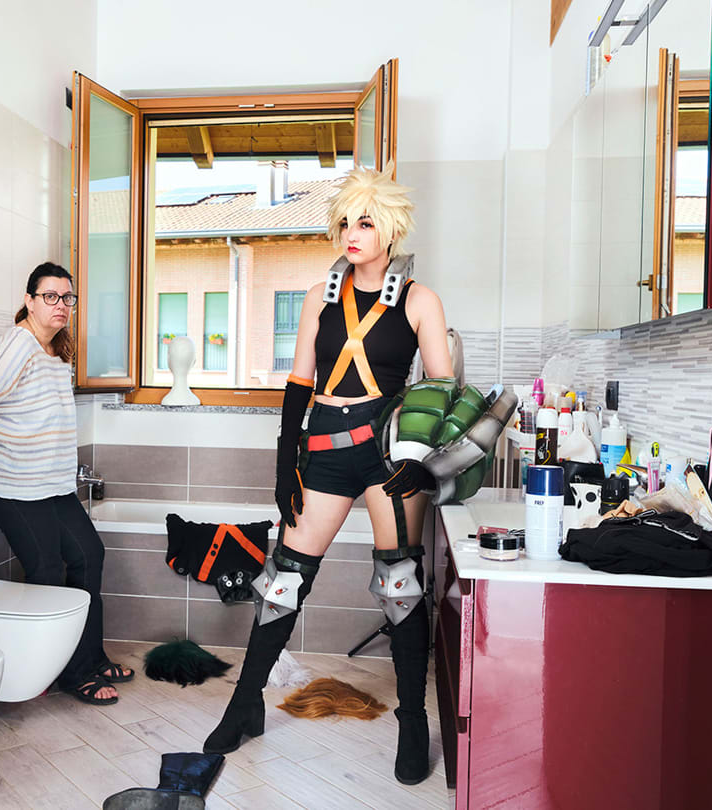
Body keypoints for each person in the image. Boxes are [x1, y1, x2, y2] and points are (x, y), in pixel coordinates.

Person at [203, 165, 454, 785]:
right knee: (284, 581)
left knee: (401, 587)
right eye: (345, 221)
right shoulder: (321, 294)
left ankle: (412, 723)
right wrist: (286, 462)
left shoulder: (420, 300)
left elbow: (447, 392)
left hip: (389, 456)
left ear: (390, 229)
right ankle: (245, 704)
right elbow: (299, 383)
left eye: (365, 221)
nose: (351, 232)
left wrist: (422, 463)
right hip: (325, 447)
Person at [0, 262, 132, 705]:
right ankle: (67, 673)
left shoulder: (54, 351)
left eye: (67, 297)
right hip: (6, 483)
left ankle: (89, 657)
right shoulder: (19, 343)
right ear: (29, 300)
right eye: (50, 296)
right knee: (48, 571)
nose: (61, 305)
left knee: (89, 554)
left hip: (46, 485)